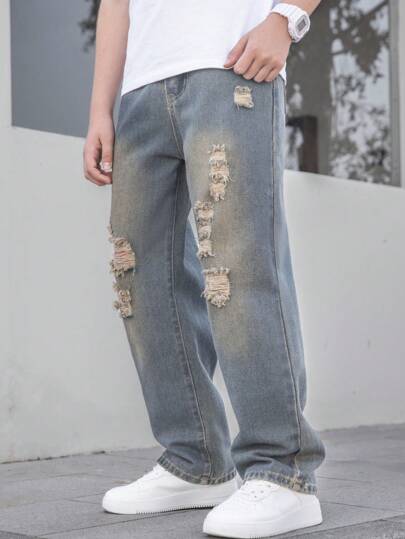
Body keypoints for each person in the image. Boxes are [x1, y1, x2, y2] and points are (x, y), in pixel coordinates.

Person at [83, 1, 325, 537]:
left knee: (237, 266)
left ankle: (283, 471)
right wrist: (101, 108)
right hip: (141, 90)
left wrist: (286, 19)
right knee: (138, 276)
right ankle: (194, 460)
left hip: (231, 66)